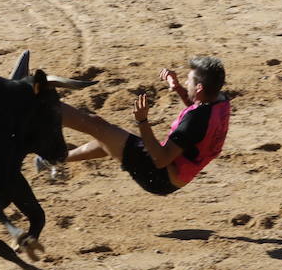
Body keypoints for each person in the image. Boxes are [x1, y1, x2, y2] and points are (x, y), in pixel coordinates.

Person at [49, 56, 231, 196]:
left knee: (97, 126)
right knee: (109, 140)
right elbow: (199, 115)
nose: (185, 82)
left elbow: (161, 159)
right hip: (174, 178)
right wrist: (178, 88)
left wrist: (142, 121)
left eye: (188, 81)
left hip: (159, 177)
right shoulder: (219, 101)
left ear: (199, 88)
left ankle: (39, 104)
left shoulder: (195, 119)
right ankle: (53, 158)